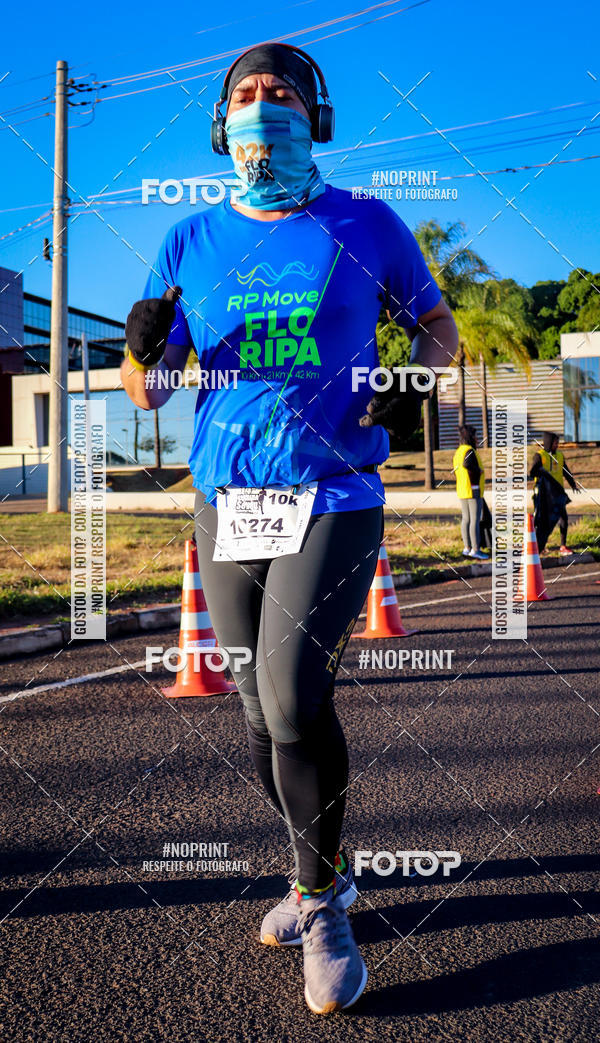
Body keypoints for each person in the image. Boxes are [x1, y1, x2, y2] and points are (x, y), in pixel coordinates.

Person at [121, 42, 458, 1014]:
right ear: (220, 126)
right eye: (245, 97)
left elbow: (436, 325)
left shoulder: (365, 221)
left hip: (334, 491)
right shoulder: (190, 238)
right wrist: (145, 353)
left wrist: (410, 385)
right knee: (256, 710)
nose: (262, 109)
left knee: (295, 697)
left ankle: (322, 903)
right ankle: (331, 868)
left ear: (318, 118)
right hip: (230, 495)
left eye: (282, 96)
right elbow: (155, 387)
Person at [530, 431, 578, 554]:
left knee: (563, 519)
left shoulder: (560, 456)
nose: (557, 444)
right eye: (555, 442)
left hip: (557, 495)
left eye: (558, 442)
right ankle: (539, 547)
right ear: (549, 442)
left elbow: (565, 471)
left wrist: (573, 485)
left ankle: (563, 546)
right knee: (542, 521)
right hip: (543, 496)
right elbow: (532, 472)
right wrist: (543, 473)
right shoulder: (539, 456)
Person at [453, 425, 488, 560]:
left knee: (466, 519)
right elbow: (467, 465)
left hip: (462, 489)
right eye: (475, 435)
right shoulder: (470, 451)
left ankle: (467, 548)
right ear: (470, 437)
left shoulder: (459, 451)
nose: (477, 438)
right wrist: (478, 471)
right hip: (473, 489)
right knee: (474, 520)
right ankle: (476, 549)